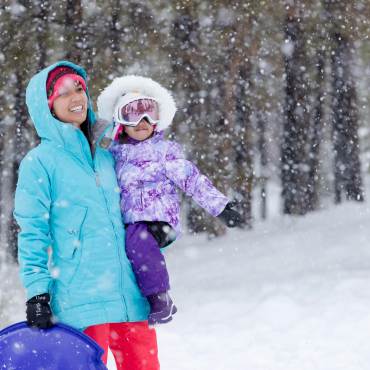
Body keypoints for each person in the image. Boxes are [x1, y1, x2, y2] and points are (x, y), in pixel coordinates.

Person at [14, 61, 160, 369]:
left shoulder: (108, 158)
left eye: (79, 87)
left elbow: (135, 213)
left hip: (130, 297)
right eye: (63, 92)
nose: (75, 95)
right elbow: (32, 231)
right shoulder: (39, 163)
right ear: (47, 106)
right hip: (79, 302)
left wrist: (158, 231)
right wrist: (37, 293)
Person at [96, 75, 243, 326]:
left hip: (159, 219)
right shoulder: (113, 155)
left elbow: (193, 180)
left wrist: (221, 207)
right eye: (133, 114)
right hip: (131, 220)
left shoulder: (165, 153)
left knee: (137, 239)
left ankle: (160, 297)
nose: (143, 121)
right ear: (120, 121)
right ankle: (130, 302)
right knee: (125, 249)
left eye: (149, 114)